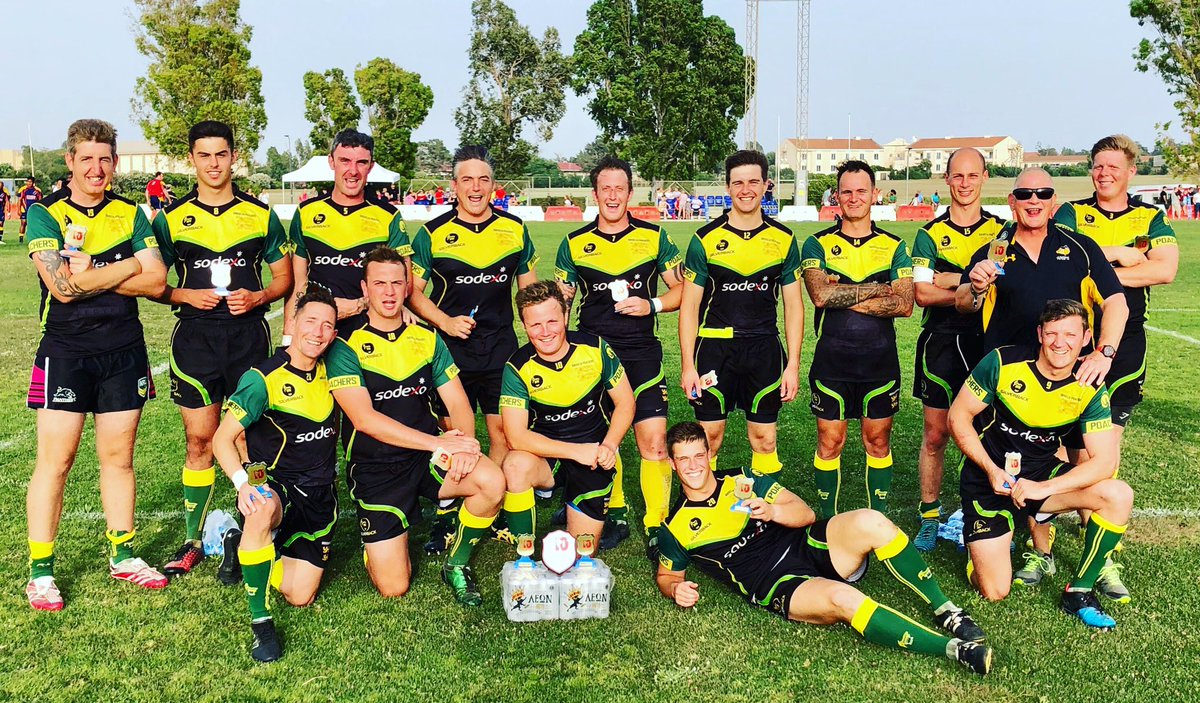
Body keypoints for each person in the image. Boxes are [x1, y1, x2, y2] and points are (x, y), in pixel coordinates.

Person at [655, 422, 993, 675]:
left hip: (806, 544)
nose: (693, 466)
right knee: (844, 600)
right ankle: (956, 650)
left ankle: (948, 611)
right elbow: (667, 575)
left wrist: (772, 511)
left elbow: (804, 514)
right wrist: (676, 590)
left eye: (699, 455)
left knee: (872, 521)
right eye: (683, 459)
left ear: (710, 454)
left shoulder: (744, 480)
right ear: (672, 464)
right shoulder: (675, 526)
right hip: (776, 582)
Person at [24, 119, 169, 610]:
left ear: (115, 162)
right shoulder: (46, 214)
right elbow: (62, 290)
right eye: (86, 158)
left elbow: (156, 282)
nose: (96, 168)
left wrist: (101, 269)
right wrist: (129, 264)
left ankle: (123, 556)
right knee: (56, 461)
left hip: (124, 351)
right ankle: (40, 573)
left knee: (119, 458)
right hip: (65, 353)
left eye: (105, 158)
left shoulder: (132, 213)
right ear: (69, 162)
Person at [153, 120, 293, 577]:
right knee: (199, 440)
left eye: (221, 154)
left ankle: (255, 529)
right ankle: (193, 538)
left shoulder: (260, 214)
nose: (213, 163)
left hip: (248, 338)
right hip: (194, 340)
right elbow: (153, 283)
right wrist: (182, 295)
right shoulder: (170, 218)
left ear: (234, 156)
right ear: (191, 159)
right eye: (204, 155)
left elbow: (284, 279)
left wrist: (259, 297)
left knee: (251, 439)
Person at [326, 247, 504, 605]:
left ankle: (456, 563)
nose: (389, 292)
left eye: (396, 283)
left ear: (407, 287)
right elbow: (365, 420)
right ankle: (376, 546)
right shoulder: (344, 346)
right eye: (380, 283)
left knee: (492, 481)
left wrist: (466, 444)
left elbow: (458, 403)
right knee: (395, 586)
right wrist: (438, 444)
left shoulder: (428, 338)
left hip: (426, 460)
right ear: (365, 289)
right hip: (376, 467)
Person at [948, 299, 1132, 629]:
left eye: (1070, 335)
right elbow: (958, 417)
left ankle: (1079, 591)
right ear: (1040, 334)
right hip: (987, 479)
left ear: (1086, 338)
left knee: (1117, 494)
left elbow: (1105, 461)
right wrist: (991, 470)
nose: (1060, 343)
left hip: (1039, 479)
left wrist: (1043, 488)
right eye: (1052, 333)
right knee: (994, 590)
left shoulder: (1088, 384)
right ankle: (975, 542)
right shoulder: (1002, 362)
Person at [1050, 135, 1178, 602]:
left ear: (1131, 171)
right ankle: (1043, 526)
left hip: (1124, 346)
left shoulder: (1151, 216)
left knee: (1104, 452)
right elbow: (1063, 263)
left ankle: (1100, 559)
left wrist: (1098, 265)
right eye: (1098, 166)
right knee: (1067, 445)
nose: (1104, 173)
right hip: (1070, 337)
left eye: (1113, 167)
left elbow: (1164, 270)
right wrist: (1124, 255)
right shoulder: (1069, 212)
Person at [405, 145, 538, 553]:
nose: (476, 187)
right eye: (467, 179)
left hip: (501, 351)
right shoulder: (432, 233)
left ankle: (490, 505)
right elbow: (413, 291)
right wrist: (444, 322)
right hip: (451, 355)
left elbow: (529, 291)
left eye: (483, 179)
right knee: (455, 434)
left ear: (494, 186)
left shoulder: (515, 229)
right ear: (454, 186)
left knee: (501, 432)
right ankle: (448, 515)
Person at [555, 155, 685, 557]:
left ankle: (656, 523)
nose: (613, 195)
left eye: (620, 188)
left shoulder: (656, 236)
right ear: (594, 194)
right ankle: (618, 513)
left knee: (654, 442)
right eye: (605, 188)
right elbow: (562, 301)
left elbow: (682, 291)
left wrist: (653, 305)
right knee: (603, 438)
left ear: (631, 193)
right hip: (593, 357)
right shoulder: (573, 243)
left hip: (642, 353)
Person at [213, 286, 339, 662]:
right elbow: (223, 438)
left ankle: (242, 544)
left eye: (327, 326)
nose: (317, 332)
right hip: (274, 483)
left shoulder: (335, 371)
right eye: (310, 322)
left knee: (300, 595)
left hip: (319, 496)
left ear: (334, 334)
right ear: (293, 322)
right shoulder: (262, 378)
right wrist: (243, 484)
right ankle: (261, 625)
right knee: (261, 506)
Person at [679, 150, 804, 479]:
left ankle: (765, 521)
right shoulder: (704, 239)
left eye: (753, 181)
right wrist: (688, 365)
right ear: (727, 186)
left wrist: (792, 365)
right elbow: (690, 308)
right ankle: (704, 518)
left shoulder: (784, 239)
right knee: (709, 439)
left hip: (764, 350)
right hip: (714, 351)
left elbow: (794, 306)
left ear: (766, 184)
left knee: (764, 439)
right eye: (738, 182)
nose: (745, 189)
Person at [801, 160, 914, 518]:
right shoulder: (816, 244)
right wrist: (877, 288)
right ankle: (827, 521)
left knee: (878, 442)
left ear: (874, 194)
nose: (853, 198)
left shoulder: (894, 246)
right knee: (829, 442)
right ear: (836, 195)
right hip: (832, 363)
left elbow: (904, 303)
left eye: (861, 190)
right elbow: (820, 297)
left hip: (880, 364)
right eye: (846, 191)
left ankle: (877, 520)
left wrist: (846, 293)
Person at [909, 149, 1006, 550]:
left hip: (989, 343)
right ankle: (929, 517)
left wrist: (950, 278)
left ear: (984, 176)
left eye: (972, 175)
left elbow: (1005, 282)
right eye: (957, 176)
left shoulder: (1003, 231)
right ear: (946, 180)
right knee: (935, 435)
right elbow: (921, 293)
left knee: (989, 433)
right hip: (941, 343)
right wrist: (970, 285)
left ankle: (982, 514)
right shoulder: (928, 234)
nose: (965, 183)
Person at [499, 282, 636, 544]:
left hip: (594, 458)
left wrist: (608, 445)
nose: (545, 332)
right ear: (524, 325)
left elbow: (626, 404)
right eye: (535, 325)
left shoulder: (595, 348)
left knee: (581, 553)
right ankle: (524, 555)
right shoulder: (517, 367)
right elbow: (515, 437)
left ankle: (592, 507)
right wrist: (576, 451)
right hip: (549, 457)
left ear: (564, 316)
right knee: (515, 465)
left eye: (551, 321)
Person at [285, 129, 411, 340]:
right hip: (318, 331)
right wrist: (289, 334)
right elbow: (298, 284)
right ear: (331, 162)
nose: (353, 171)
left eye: (361, 162)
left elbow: (403, 284)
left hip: (370, 329)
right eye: (345, 160)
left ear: (370, 166)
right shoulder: (306, 212)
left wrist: (357, 305)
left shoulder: (388, 216)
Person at [17, 176, 44, 243]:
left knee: (33, 224)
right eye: (27, 181)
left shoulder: (37, 191)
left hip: (34, 211)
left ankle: (33, 238)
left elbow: (40, 201)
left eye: (30, 182)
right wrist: (18, 209)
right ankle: (21, 239)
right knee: (23, 223)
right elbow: (20, 200)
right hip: (25, 209)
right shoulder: (23, 190)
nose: (28, 183)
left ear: (33, 183)